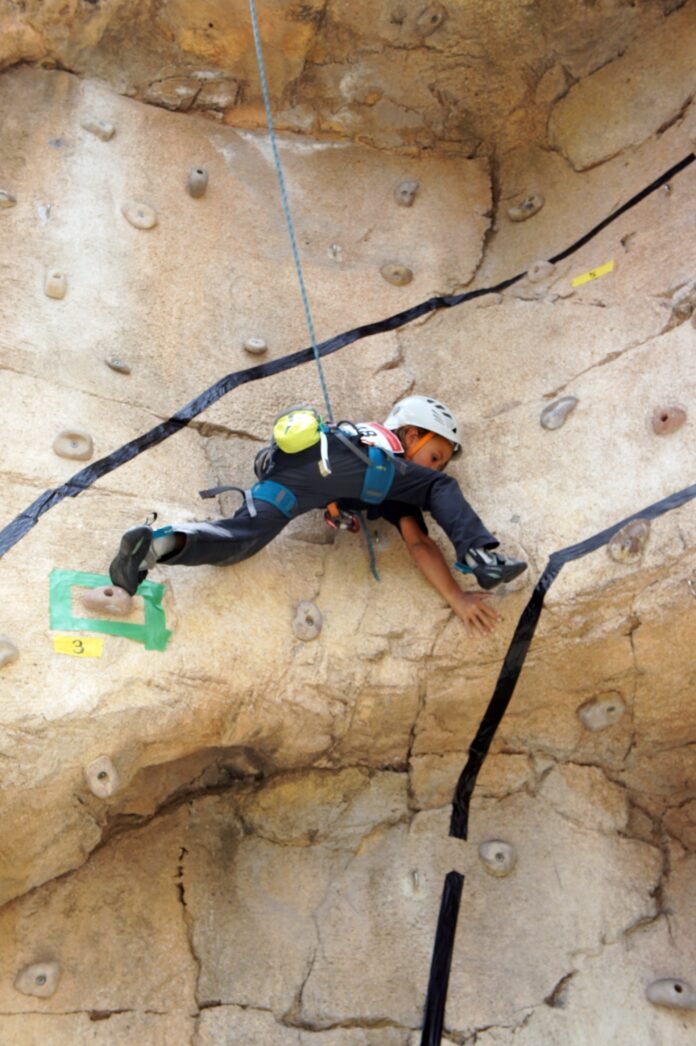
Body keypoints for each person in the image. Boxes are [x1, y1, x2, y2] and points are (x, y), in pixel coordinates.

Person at [109, 396, 527, 637]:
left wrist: (334, 506)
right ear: (411, 435)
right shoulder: (398, 466)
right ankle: (481, 556)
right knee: (442, 491)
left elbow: (416, 540)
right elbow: (421, 541)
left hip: (294, 470)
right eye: (435, 456)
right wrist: (458, 595)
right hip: (355, 464)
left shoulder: (395, 486)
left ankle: (157, 546)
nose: (433, 468)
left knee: (241, 540)